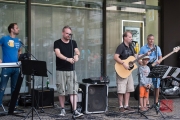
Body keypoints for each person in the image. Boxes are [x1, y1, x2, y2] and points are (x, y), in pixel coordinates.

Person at [54, 25, 83, 118]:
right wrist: (67, 59)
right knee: (61, 91)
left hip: (71, 70)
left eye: (70, 34)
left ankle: (74, 110)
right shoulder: (57, 43)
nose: (68, 35)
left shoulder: (73, 42)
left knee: (73, 91)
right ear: (63, 33)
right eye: (67, 33)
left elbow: (77, 51)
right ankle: (62, 109)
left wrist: (77, 56)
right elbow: (58, 54)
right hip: (61, 70)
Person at [0, 23, 22, 112]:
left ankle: (14, 106)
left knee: (15, 88)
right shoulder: (4, 39)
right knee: (2, 87)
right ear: (12, 29)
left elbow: (19, 51)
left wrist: (20, 57)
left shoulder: (18, 41)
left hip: (16, 67)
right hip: (6, 67)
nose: (18, 29)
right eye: (16, 28)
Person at [114, 31, 136, 112]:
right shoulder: (121, 46)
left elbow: (135, 57)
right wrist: (123, 63)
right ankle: (121, 106)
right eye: (130, 37)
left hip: (129, 71)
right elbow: (116, 57)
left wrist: (144, 55)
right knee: (121, 89)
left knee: (128, 89)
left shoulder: (131, 47)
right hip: (121, 70)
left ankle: (126, 105)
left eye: (131, 37)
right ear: (125, 38)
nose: (131, 38)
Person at [139, 34, 162, 109]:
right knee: (146, 84)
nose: (151, 40)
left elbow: (160, 58)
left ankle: (156, 102)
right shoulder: (143, 48)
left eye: (153, 39)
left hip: (155, 68)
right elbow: (139, 58)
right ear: (147, 39)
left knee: (156, 85)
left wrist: (159, 61)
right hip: (146, 68)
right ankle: (146, 103)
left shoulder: (157, 48)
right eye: (150, 39)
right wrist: (143, 65)